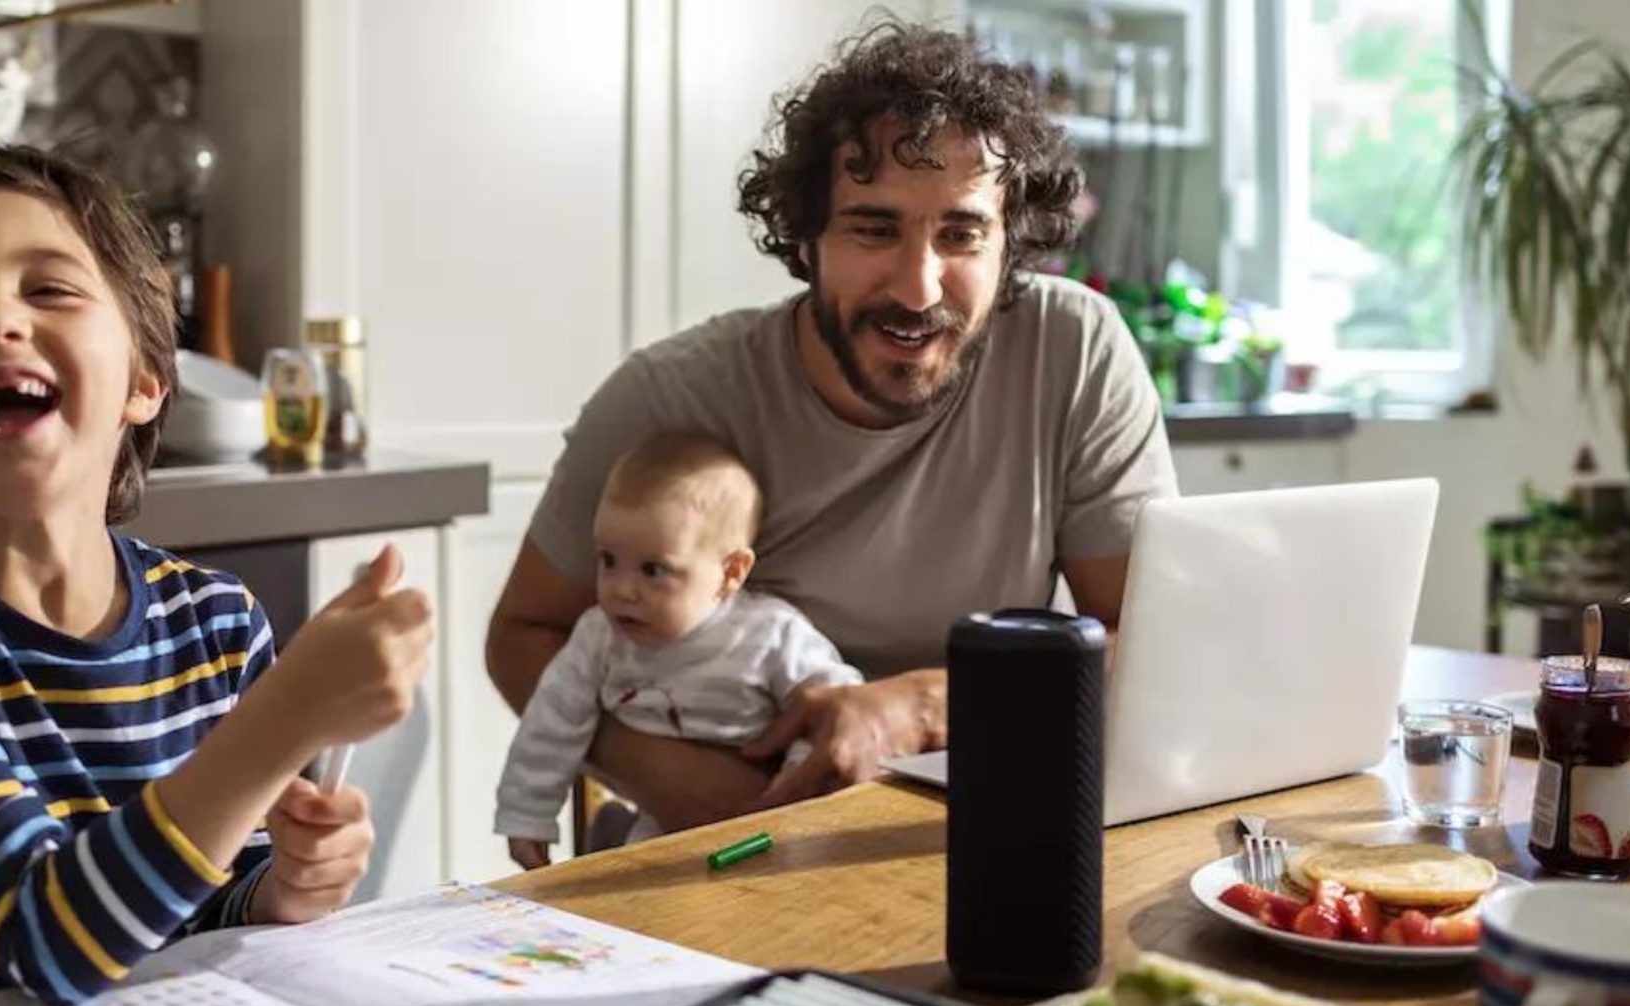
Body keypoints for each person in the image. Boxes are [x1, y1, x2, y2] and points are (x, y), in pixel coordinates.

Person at [0, 146, 433, 1006]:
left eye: (48, 289)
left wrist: (279, 892)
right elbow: (47, 942)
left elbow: (195, 911)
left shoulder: (218, 623)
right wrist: (289, 717)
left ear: (147, 380)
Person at [486, 22, 1176, 831]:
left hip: (987, 816)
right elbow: (523, 633)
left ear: (1010, 243)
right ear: (806, 236)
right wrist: (735, 809)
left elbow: (1156, 641)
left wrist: (920, 707)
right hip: (725, 840)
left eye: (960, 233)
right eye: (874, 229)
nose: (919, 289)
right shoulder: (669, 398)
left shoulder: (1074, 349)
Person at [494, 432, 861, 868]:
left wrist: (795, 793)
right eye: (607, 560)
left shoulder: (768, 634)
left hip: (775, 815)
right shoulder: (599, 638)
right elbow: (552, 722)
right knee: (642, 889)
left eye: (654, 570)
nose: (621, 590)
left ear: (731, 572)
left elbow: (841, 705)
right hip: (660, 817)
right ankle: (612, 833)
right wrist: (526, 815)